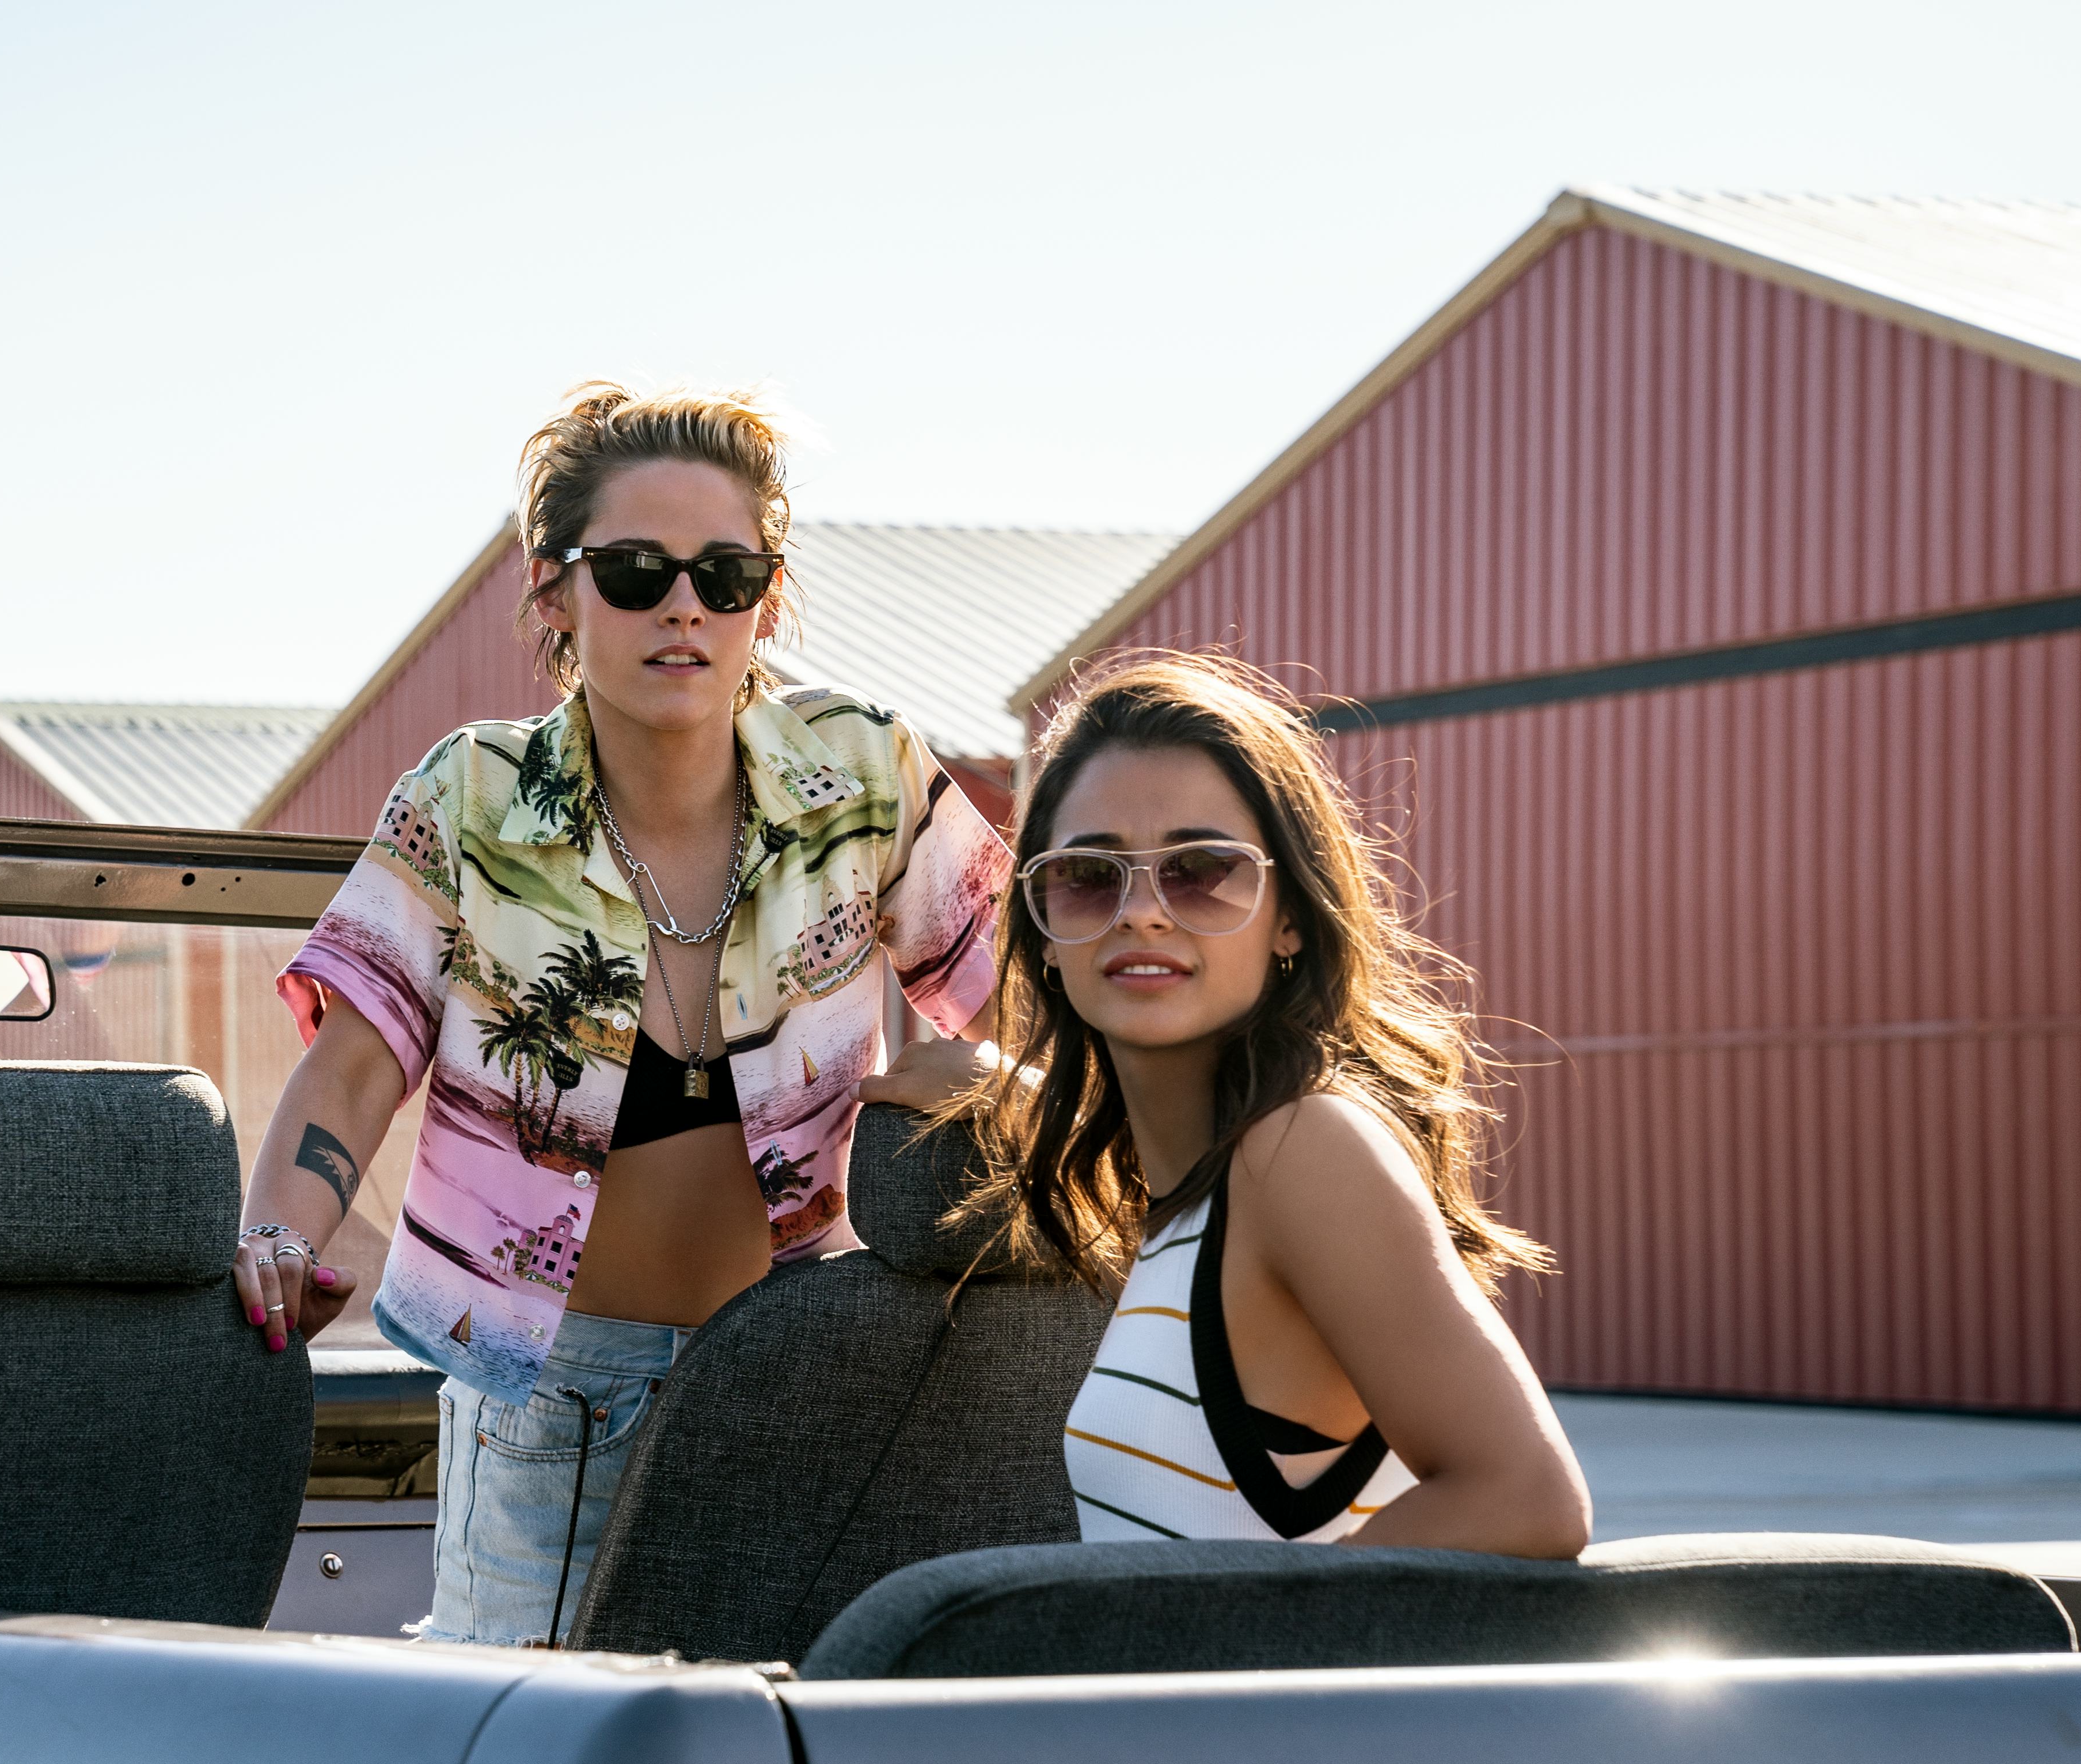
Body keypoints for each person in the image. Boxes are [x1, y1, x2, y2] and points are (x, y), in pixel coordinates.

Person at [245, 381, 1013, 1643]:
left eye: (725, 572)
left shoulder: (862, 776)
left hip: (799, 1375)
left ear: (767, 593)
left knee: (770, 1756)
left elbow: (1028, 995)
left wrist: (971, 1085)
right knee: (520, 1753)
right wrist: (280, 1235)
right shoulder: (475, 799)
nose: (683, 608)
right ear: (556, 591)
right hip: (549, 1391)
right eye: (637, 571)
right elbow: (356, 1061)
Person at [875, 651, 1589, 1553]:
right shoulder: (1189, 1175)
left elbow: (1524, 1496)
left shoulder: (1302, 1147)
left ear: (1289, 914)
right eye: (1090, 876)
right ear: (1045, 934)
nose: (1141, 911)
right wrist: (1009, 1090)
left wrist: (1224, 1668)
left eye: (1202, 870)